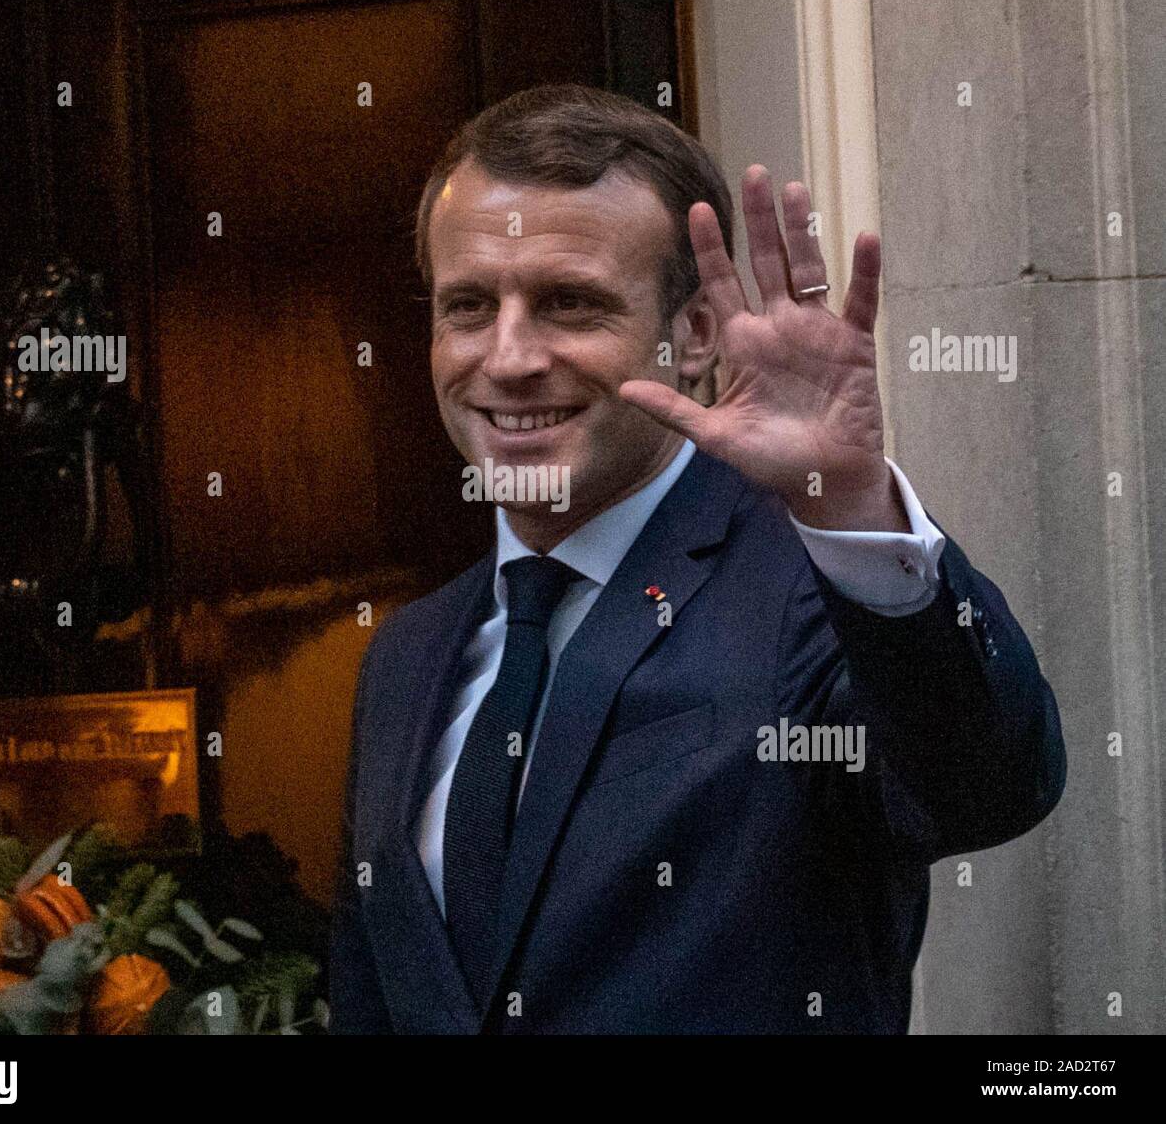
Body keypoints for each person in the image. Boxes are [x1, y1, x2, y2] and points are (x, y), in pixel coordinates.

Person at [329, 84, 1065, 1034]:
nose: (508, 358)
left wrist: (846, 502)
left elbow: (989, 783)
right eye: (469, 306)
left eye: (569, 304)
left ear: (698, 335)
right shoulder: (405, 658)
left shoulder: (814, 598)